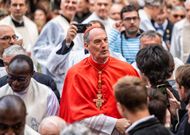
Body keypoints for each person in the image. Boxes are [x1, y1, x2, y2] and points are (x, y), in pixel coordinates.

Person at [59, 25, 139, 134]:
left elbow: (139, 105)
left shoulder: (126, 70)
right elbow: (75, 115)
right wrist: (113, 123)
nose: (104, 45)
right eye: (97, 42)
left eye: (105, 40)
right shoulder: (75, 73)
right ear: (86, 46)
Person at [45, 21, 126, 92]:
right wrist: (67, 41)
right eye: (91, 31)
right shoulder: (73, 57)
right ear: (86, 42)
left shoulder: (116, 57)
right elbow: (52, 67)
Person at [0, 55, 59, 131]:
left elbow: (52, 128)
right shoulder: (1, 93)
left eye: (21, 79)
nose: (15, 83)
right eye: (11, 78)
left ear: (32, 74)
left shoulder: (47, 96)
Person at [33, 0, 78, 85]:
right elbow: (37, 49)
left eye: (74, 2)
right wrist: (62, 49)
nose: (70, 5)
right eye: (67, 2)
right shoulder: (53, 24)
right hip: (56, 77)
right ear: (61, 5)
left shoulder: (75, 24)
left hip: (72, 75)